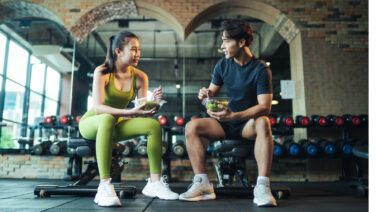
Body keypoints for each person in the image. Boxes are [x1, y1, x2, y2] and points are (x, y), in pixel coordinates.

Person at [179, 19, 277, 207]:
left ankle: (263, 186)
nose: (222, 46)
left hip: (247, 124)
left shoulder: (260, 69)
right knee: (192, 126)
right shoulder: (223, 65)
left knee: (263, 120)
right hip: (224, 123)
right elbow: (211, 95)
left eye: (226, 41)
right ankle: (202, 183)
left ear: (241, 43)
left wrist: (234, 116)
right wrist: (205, 96)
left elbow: (265, 106)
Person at [79, 31, 178, 207]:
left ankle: (154, 183)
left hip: (115, 124)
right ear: (118, 51)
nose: (138, 54)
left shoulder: (140, 77)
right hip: (92, 122)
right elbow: (99, 108)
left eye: (139, 50)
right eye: (133, 49)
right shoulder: (102, 72)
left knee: (153, 125)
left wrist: (153, 103)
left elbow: (142, 110)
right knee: (107, 118)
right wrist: (131, 111)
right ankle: (104, 185)